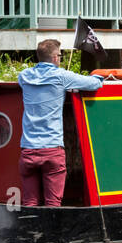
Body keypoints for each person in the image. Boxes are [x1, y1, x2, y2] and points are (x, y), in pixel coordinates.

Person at [16, 39, 103, 207]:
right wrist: (100, 75)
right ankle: (51, 232)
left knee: (29, 202)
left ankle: (30, 231)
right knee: (53, 203)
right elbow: (94, 84)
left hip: (28, 150)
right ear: (55, 57)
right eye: (60, 56)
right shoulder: (62, 76)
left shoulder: (24, 76)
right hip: (52, 150)